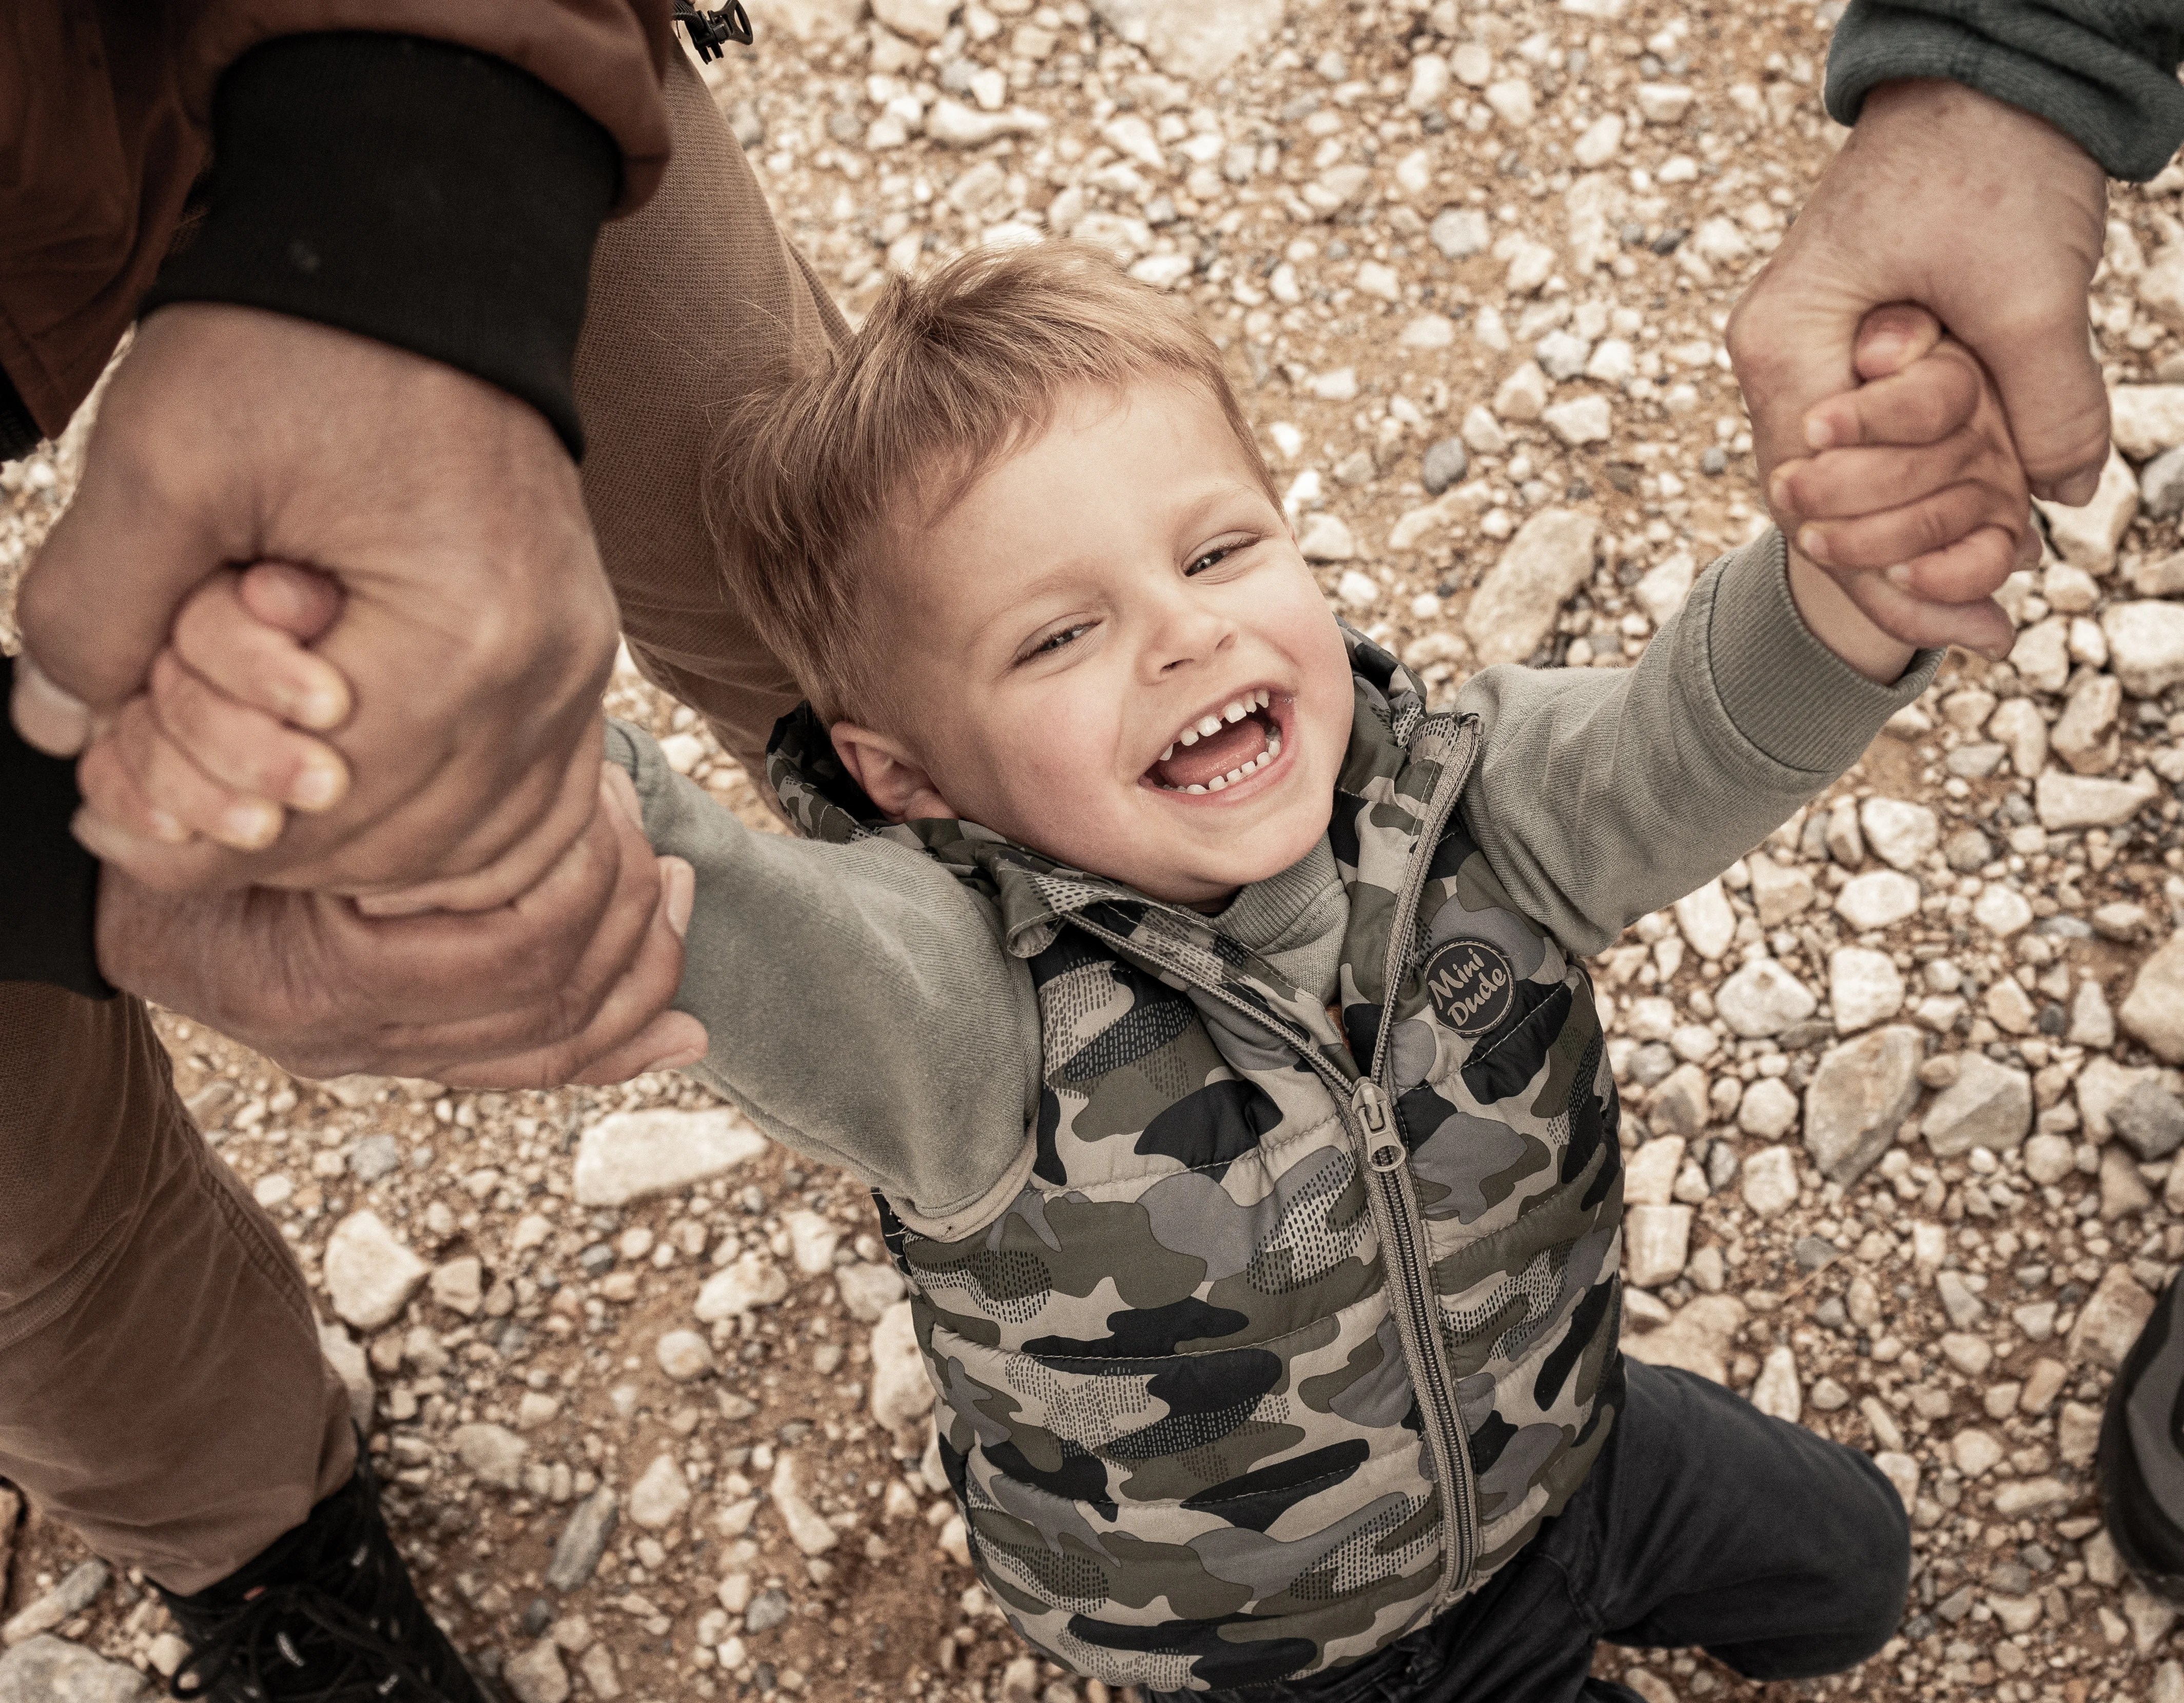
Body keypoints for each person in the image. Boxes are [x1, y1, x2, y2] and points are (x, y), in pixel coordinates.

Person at [148, 238, 2009, 1699]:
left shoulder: (1471, 806)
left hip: (1571, 1442)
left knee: (1853, 1571)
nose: (1187, 638)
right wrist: (488, 733)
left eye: (1218, 548)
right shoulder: (952, 1019)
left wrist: (1844, 592)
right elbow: (705, 902)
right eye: (1058, 636)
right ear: (905, 770)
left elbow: (1691, 737)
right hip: (1275, 1648)